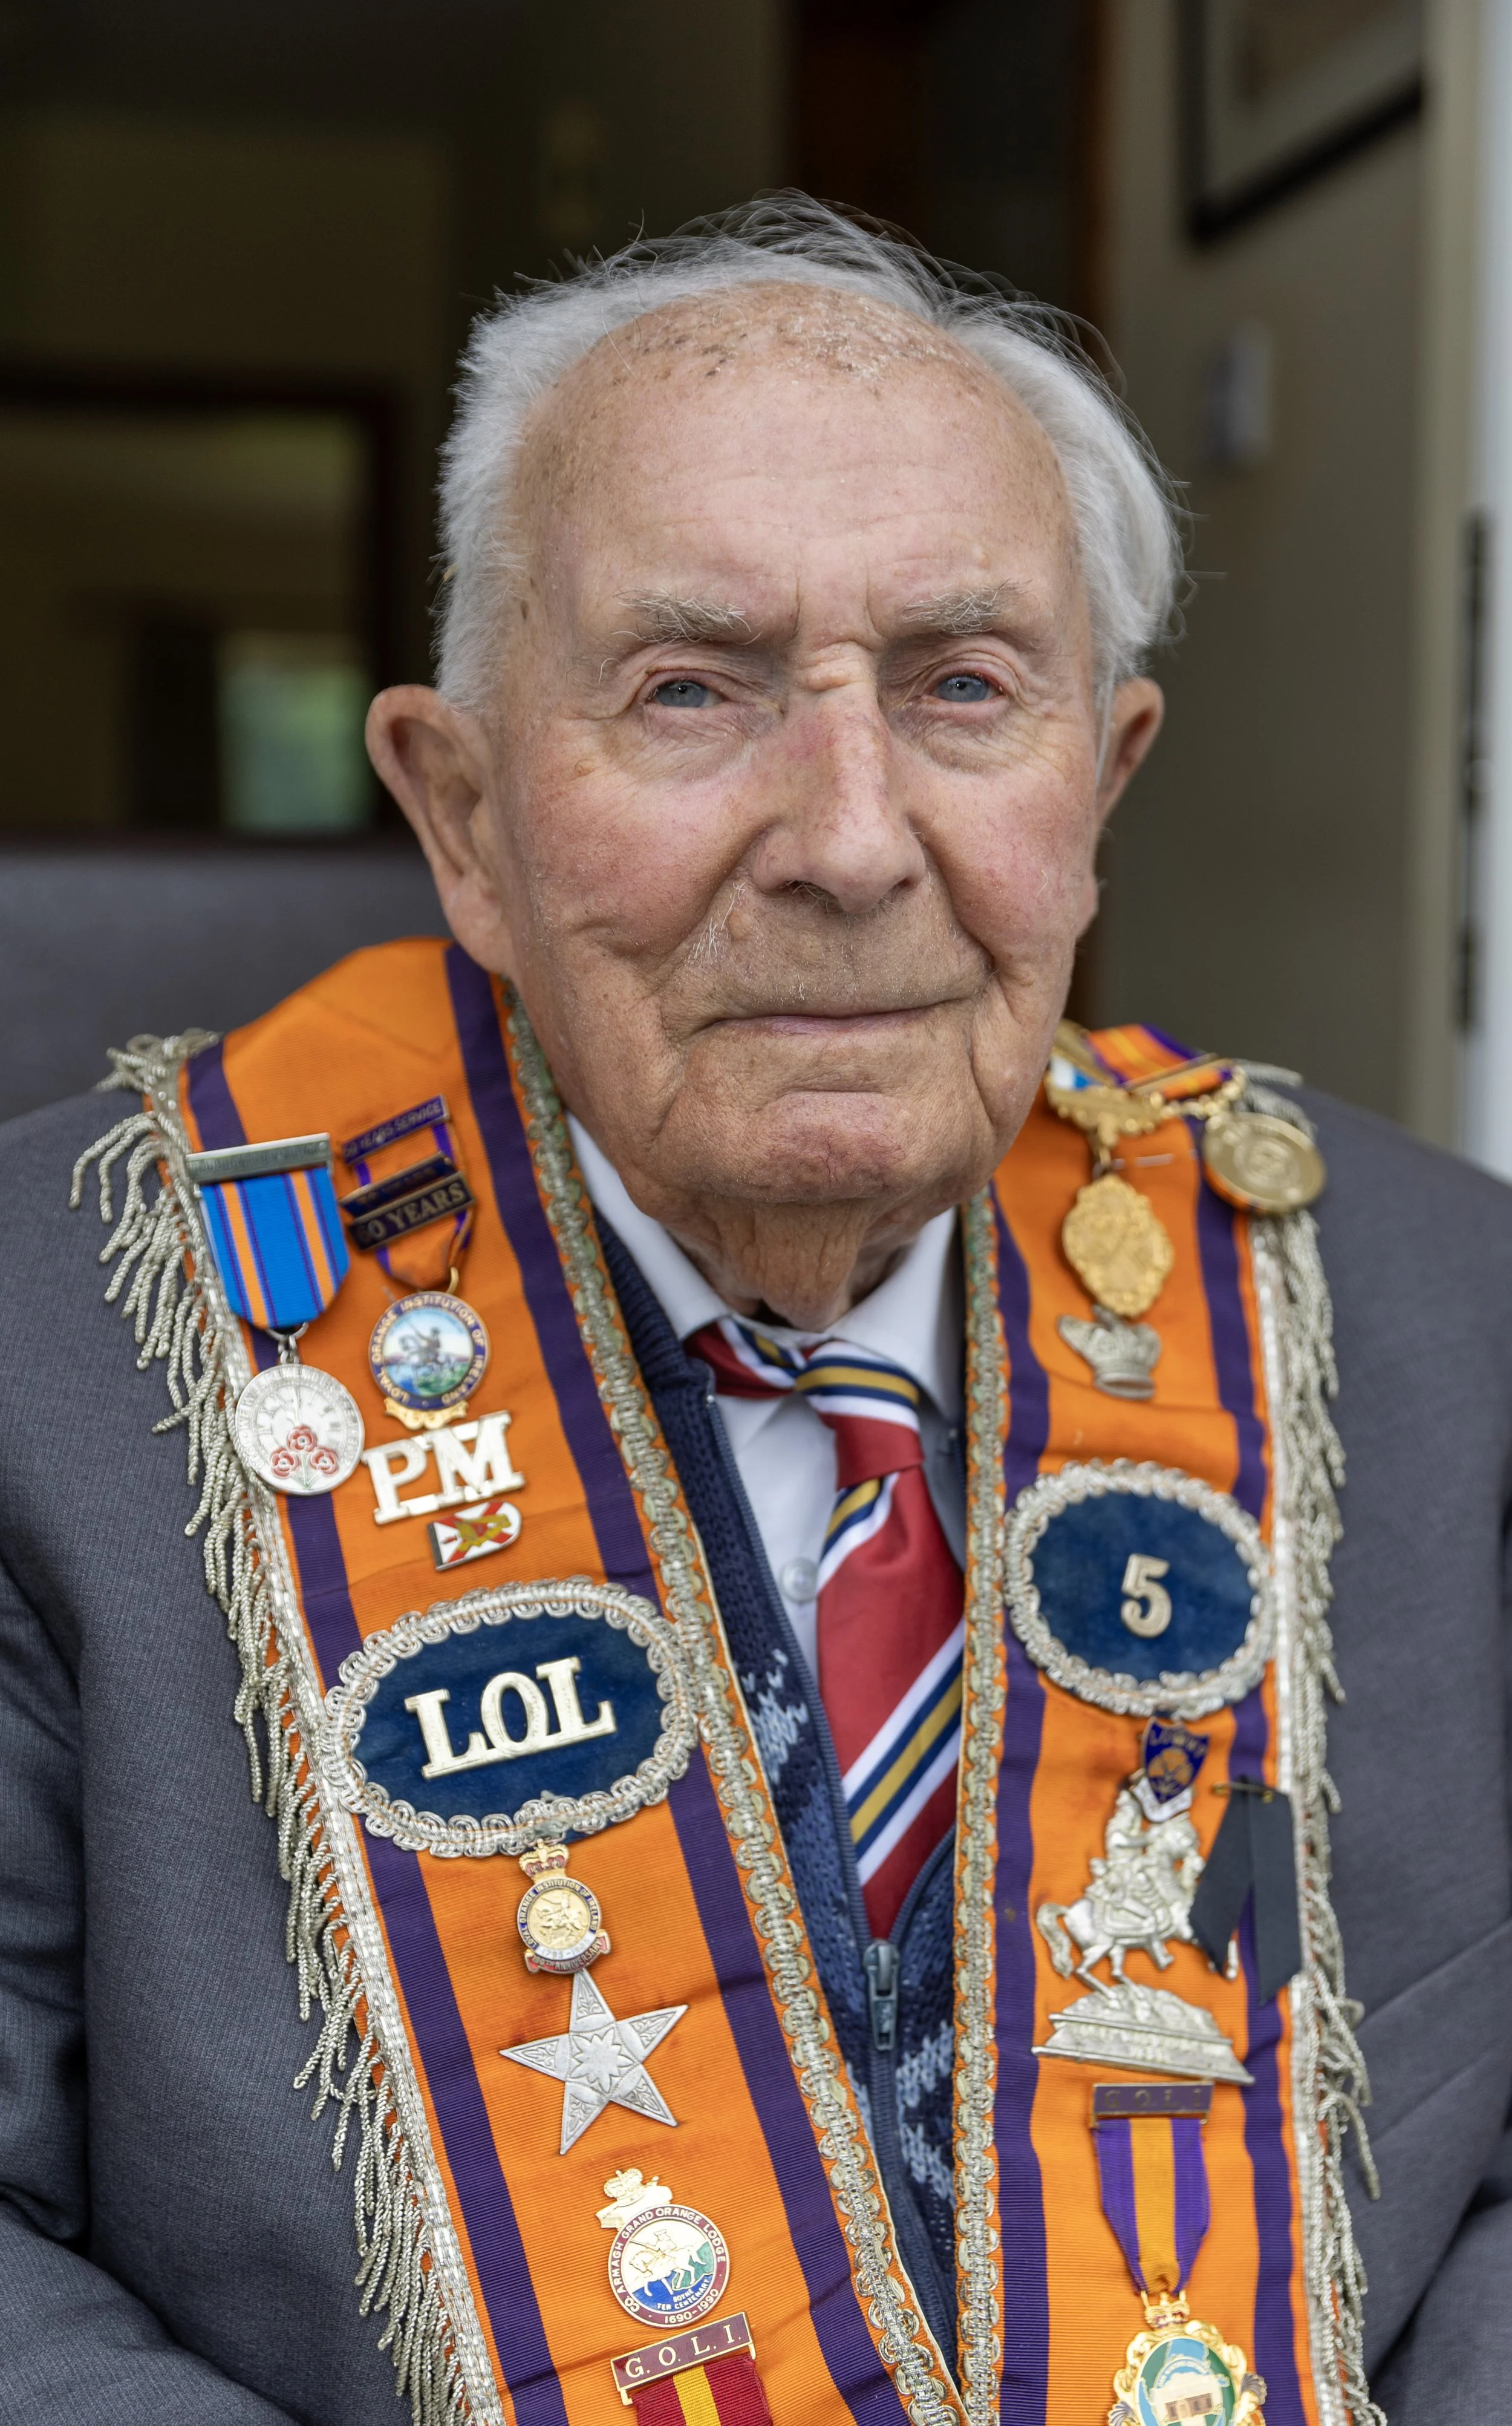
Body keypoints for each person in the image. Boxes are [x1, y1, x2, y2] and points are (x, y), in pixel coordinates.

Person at [1, 197, 1508, 2426]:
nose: (850, 840)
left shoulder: (1439, 1315)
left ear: (1099, 789)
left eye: (963, 689)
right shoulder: (50, 1356)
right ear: (465, 816)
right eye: (691, 689)